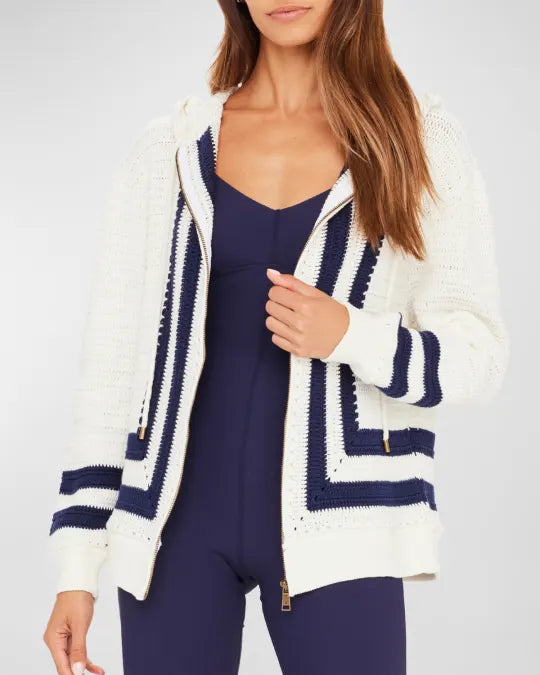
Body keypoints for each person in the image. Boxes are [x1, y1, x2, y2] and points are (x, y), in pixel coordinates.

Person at [43, 1, 510, 674]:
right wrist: (76, 565)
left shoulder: (419, 140)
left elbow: (479, 354)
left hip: (344, 525)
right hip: (171, 532)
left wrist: (352, 335)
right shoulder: (169, 150)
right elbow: (112, 372)